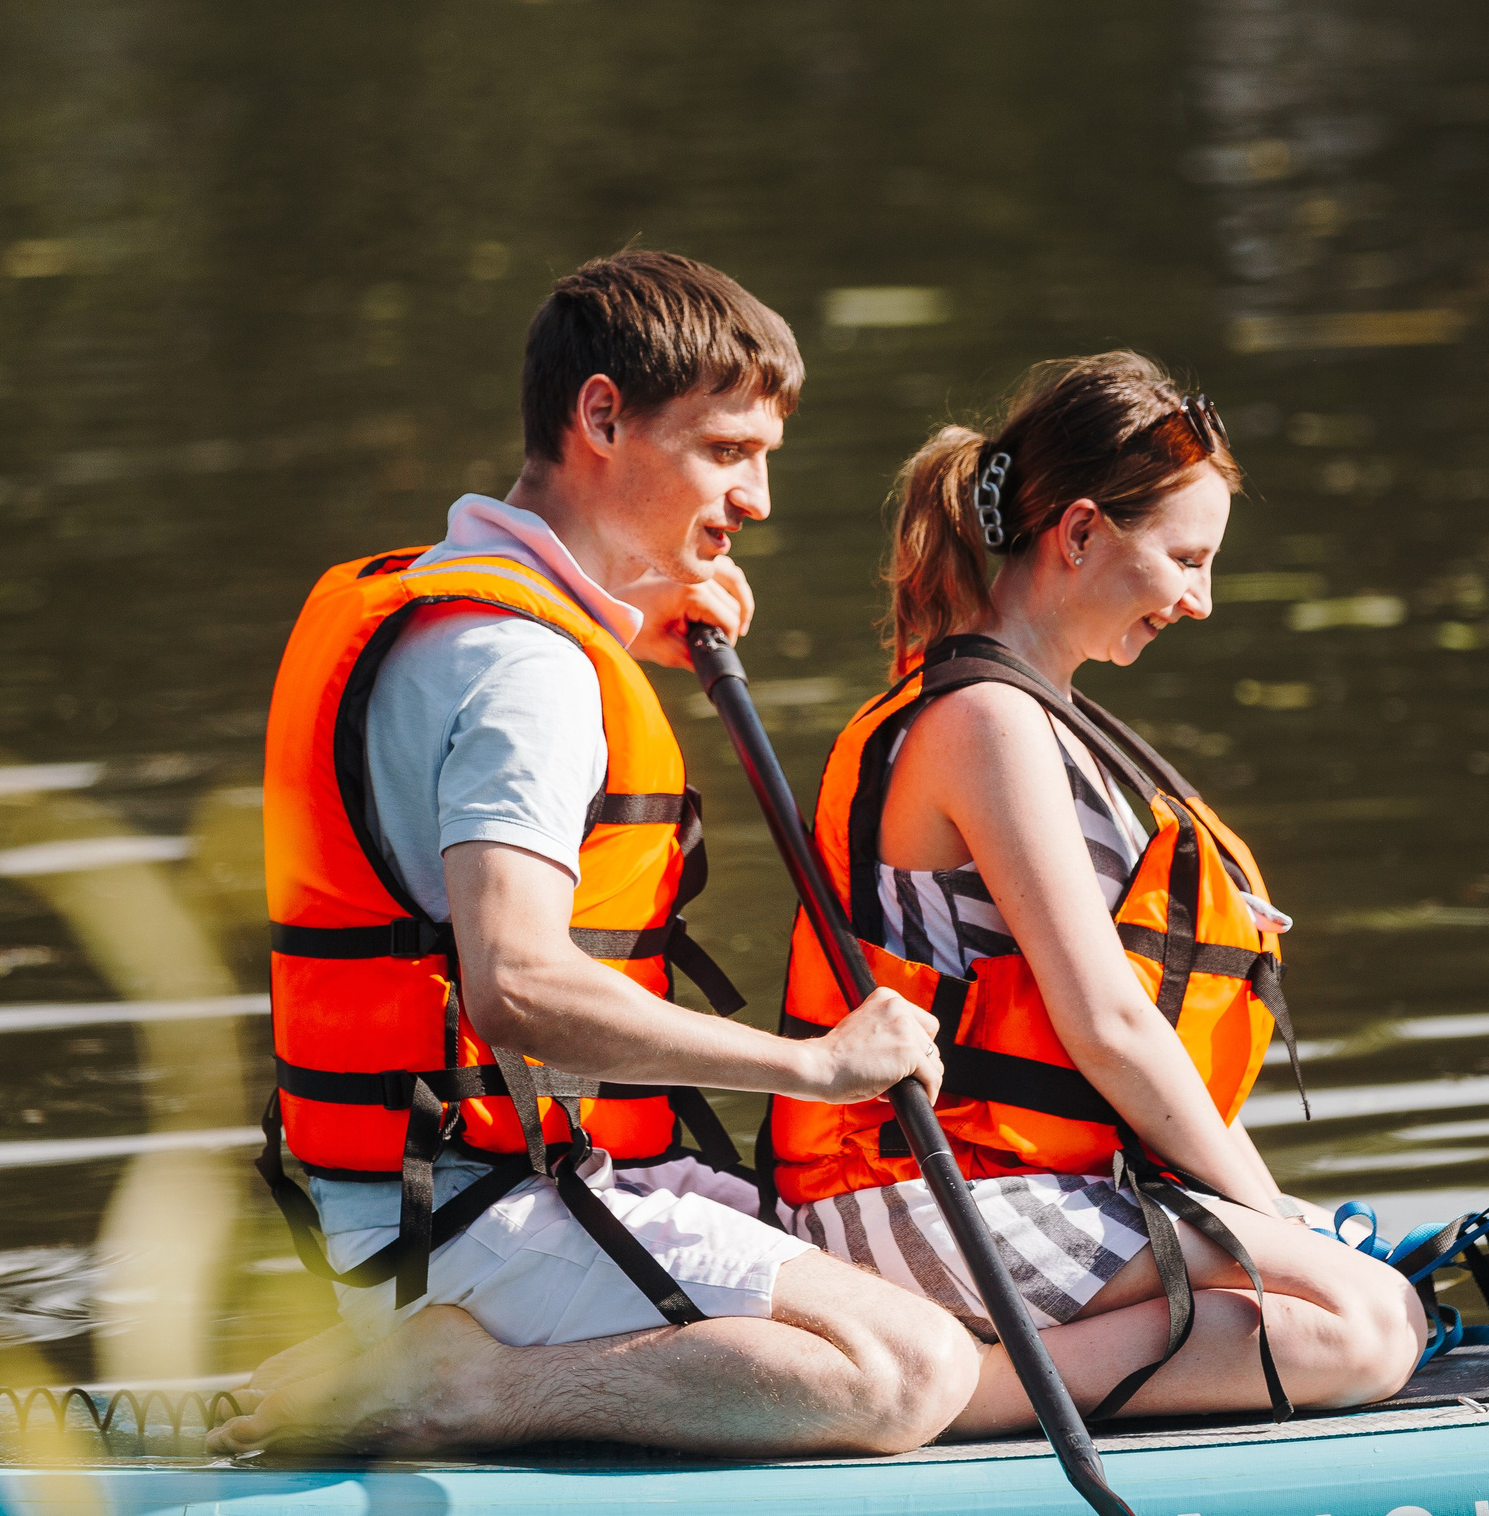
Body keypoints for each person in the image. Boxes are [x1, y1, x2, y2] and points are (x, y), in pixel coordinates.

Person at [212, 250, 980, 1459]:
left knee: (908, 1279)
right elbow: (516, 986)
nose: (756, 498)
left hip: (450, 1192)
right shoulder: (528, 671)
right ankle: (462, 1386)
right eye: (726, 451)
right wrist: (814, 1066)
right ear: (603, 418)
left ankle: (414, 1353)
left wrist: (624, 613)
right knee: (905, 1373)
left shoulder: (465, 604)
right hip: (476, 1213)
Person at [767, 351, 1424, 1436]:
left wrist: (1269, 1214)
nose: (1200, 600)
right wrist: (1264, 1211)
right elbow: (1108, 1022)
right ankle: (936, 1391)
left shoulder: (1039, 714)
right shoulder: (986, 720)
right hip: (914, 1201)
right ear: (1078, 533)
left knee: (1372, 1298)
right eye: (1185, 559)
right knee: (1365, 1325)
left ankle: (990, 1371)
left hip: (1017, 1183)